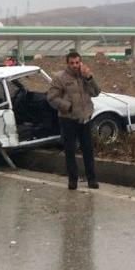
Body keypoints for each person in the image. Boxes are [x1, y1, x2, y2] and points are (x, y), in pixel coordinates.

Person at [47, 51, 101, 190]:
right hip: (68, 119)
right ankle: (73, 180)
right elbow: (52, 97)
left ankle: (92, 179)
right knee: (70, 151)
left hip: (85, 118)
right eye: (72, 63)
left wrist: (89, 78)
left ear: (80, 62)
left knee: (88, 150)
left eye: (77, 62)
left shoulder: (85, 76)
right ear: (67, 63)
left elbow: (96, 92)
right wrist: (67, 106)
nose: (75, 65)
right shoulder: (60, 78)